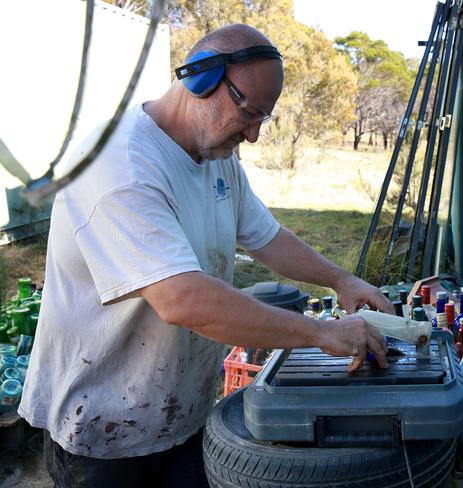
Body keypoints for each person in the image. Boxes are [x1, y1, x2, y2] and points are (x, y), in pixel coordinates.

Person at [18, 23, 391, 487]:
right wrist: (320, 334)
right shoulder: (122, 165)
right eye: (249, 113)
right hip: (101, 427)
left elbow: (265, 236)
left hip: (180, 412)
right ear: (201, 78)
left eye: (263, 119)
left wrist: (342, 280)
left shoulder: (216, 156)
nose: (253, 136)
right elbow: (184, 300)